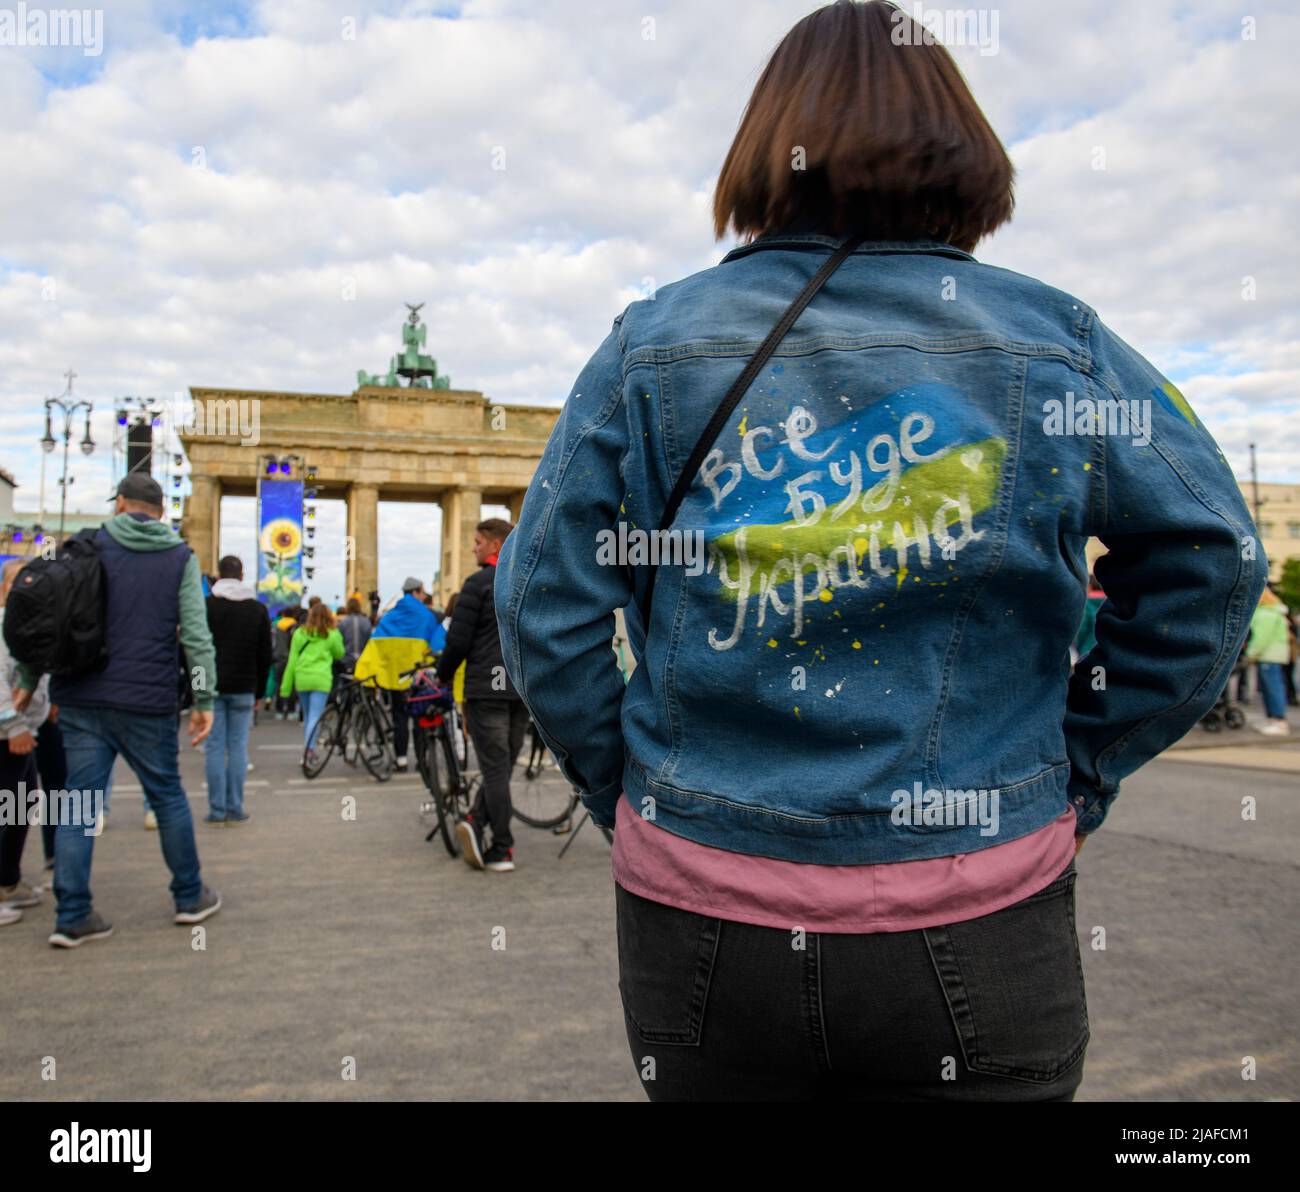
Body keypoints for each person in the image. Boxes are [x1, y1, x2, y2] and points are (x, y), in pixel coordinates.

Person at [496, 0, 1268, 1101]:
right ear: (961, 146)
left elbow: (539, 608)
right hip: (978, 907)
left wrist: (638, 789)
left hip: (704, 918)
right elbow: (1215, 553)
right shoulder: (1054, 342)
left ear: (770, 144)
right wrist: (1080, 768)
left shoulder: (654, 343)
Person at [31, 473, 222, 948]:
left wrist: (25, 681)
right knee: (167, 797)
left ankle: (72, 915)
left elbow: (41, 613)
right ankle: (189, 897)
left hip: (80, 695)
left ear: (119, 503)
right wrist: (204, 699)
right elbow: (197, 639)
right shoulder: (180, 558)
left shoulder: (83, 546)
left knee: (78, 804)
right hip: (147, 700)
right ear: (161, 512)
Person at [438, 519, 527, 873]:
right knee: (501, 770)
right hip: (520, 688)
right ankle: (475, 820)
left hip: (485, 689)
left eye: (477, 542)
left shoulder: (477, 584)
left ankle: (502, 848)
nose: (472, 548)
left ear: (494, 545)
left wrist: (443, 676)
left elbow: (458, 641)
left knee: (494, 770)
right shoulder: (526, 581)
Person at [0, 559, 52, 922]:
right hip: (8, 733)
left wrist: (48, 705)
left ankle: (7, 880)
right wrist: (13, 725)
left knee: (22, 805)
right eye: (20, 583)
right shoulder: (4, 626)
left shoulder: (29, 626)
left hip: (25, 732)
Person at [203, 555, 273, 824]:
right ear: (242, 576)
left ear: (218, 576)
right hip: (244, 687)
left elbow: (193, 647)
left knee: (214, 748)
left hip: (212, 687)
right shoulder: (256, 609)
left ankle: (216, 809)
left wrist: (197, 689)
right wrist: (259, 692)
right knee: (238, 748)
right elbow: (264, 655)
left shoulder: (207, 606)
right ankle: (236, 806)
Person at [353, 578, 446, 772]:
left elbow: (374, 646)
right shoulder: (426, 616)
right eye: (422, 592)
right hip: (417, 677)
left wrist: (364, 671)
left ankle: (401, 759)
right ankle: (422, 760)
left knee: (399, 718)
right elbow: (436, 644)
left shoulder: (390, 616)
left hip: (394, 677)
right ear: (416, 592)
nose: (423, 596)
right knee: (420, 718)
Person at [279, 601, 344, 765]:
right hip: (321, 678)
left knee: (309, 716)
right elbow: (339, 653)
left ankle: (310, 749)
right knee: (315, 717)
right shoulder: (332, 634)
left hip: (302, 678)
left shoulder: (300, 633)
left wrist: (285, 688)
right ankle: (309, 752)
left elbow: (292, 660)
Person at [1247, 587, 1292, 735]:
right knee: (1272, 687)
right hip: (1275, 654)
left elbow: (1261, 638)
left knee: (1272, 688)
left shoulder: (1265, 614)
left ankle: (1278, 720)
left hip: (1268, 655)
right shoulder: (1274, 611)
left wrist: (1250, 654)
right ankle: (1274, 719)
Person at [337, 596, 373, 673]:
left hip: (346, 661)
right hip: (363, 661)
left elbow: (339, 644)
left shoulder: (343, 623)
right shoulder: (366, 622)